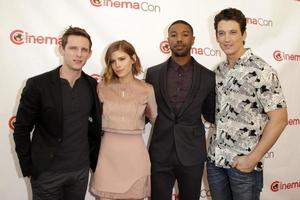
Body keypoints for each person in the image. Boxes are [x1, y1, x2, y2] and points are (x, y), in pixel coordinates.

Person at [207, 8, 288, 200]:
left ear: (244, 34)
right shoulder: (217, 71)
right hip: (215, 162)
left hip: (244, 166)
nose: (227, 39)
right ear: (216, 37)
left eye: (233, 32)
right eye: (221, 33)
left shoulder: (262, 70)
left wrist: (252, 159)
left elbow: (280, 119)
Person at [13, 26, 102, 200]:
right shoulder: (38, 85)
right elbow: (21, 129)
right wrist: (30, 168)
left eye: (84, 50)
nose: (79, 54)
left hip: (80, 173)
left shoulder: (93, 85)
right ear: (61, 49)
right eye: (73, 48)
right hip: (47, 174)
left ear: (89, 54)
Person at [145, 20, 215, 200]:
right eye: (174, 34)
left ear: (193, 40)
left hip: (192, 154)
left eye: (185, 34)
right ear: (167, 39)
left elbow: (210, 114)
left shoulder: (208, 76)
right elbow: (145, 113)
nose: (179, 39)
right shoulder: (153, 73)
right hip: (160, 153)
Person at [90, 40, 157, 200]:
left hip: (135, 158)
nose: (117, 65)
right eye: (113, 61)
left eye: (122, 59)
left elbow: (155, 119)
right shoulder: (102, 87)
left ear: (133, 58)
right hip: (107, 157)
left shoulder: (147, 89)